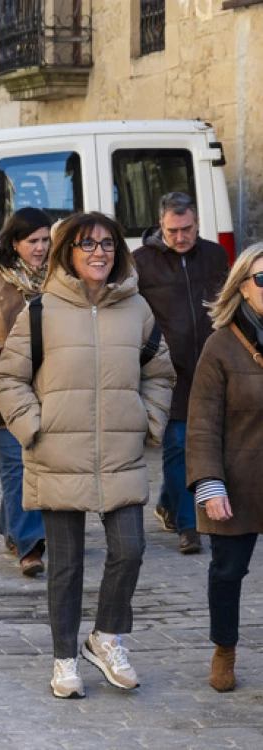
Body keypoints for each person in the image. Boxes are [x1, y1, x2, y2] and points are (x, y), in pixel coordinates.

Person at [0, 212, 174, 699]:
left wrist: (148, 420)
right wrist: (35, 427)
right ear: (67, 252)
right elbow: (8, 379)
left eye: (108, 244)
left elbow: (160, 372)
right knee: (67, 565)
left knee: (130, 549)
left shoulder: (136, 310)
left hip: (120, 451)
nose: (99, 252)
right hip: (59, 452)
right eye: (87, 244)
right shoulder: (41, 310)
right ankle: (64, 660)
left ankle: (107, 637)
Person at [186, 244, 263, 693]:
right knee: (228, 572)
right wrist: (210, 484)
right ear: (243, 288)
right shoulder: (221, 345)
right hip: (238, 479)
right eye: (262, 278)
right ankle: (225, 648)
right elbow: (201, 423)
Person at [134, 192, 228, 554]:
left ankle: (169, 503)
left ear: (197, 222)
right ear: (161, 226)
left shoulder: (215, 255)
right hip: (166, 369)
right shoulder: (142, 261)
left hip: (210, 365)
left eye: (186, 229)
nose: (180, 237)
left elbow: (228, 299)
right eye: (172, 230)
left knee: (207, 443)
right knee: (176, 446)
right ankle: (190, 527)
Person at [0, 207, 49, 576]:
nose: (40, 248)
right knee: (17, 462)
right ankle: (30, 545)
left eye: (46, 240)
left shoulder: (58, 276)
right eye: (33, 241)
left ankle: (11, 524)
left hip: (46, 383)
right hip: (1, 383)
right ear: (14, 241)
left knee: (33, 460)